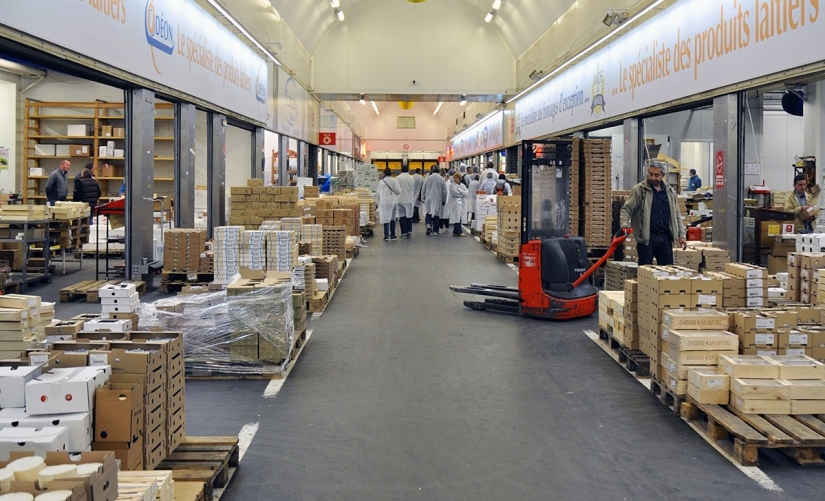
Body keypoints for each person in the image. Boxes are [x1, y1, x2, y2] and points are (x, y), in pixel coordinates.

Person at [620, 160, 686, 266]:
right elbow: (626, 209)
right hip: (647, 238)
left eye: (656, 175)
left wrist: (681, 235)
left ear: (662, 176)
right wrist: (624, 225)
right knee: (645, 272)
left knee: (667, 271)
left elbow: (676, 215)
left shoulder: (669, 191)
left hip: (665, 238)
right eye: (650, 174)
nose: (652, 178)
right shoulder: (639, 190)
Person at [377, 167, 400, 241]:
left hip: (384, 202)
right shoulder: (394, 181)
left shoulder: (381, 182)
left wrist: (378, 202)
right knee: (393, 218)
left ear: (384, 173)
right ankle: (393, 235)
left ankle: (386, 235)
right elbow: (398, 191)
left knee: (385, 217)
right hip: (393, 201)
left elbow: (378, 193)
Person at [421, 166, 446, 235]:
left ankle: (428, 224)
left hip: (428, 198)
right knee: (436, 215)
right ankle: (435, 231)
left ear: (432, 170)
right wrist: (444, 200)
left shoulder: (427, 178)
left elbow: (423, 188)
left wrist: (422, 198)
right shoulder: (441, 179)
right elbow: (444, 191)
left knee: (428, 212)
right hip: (438, 198)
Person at [395, 165, 416, 238]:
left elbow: (396, 189)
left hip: (400, 199)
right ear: (408, 170)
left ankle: (404, 233)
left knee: (402, 216)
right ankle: (409, 232)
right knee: (409, 216)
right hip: (409, 199)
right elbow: (413, 188)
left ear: (401, 170)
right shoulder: (412, 178)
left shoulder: (398, 178)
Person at [446, 172, 469, 236]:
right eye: (454, 178)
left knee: (459, 217)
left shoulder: (462, 185)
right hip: (454, 203)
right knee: (457, 217)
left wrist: (461, 191)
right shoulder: (452, 185)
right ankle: (459, 231)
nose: (455, 179)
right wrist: (462, 194)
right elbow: (455, 194)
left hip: (461, 203)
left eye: (457, 178)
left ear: (460, 178)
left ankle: (455, 231)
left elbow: (467, 193)